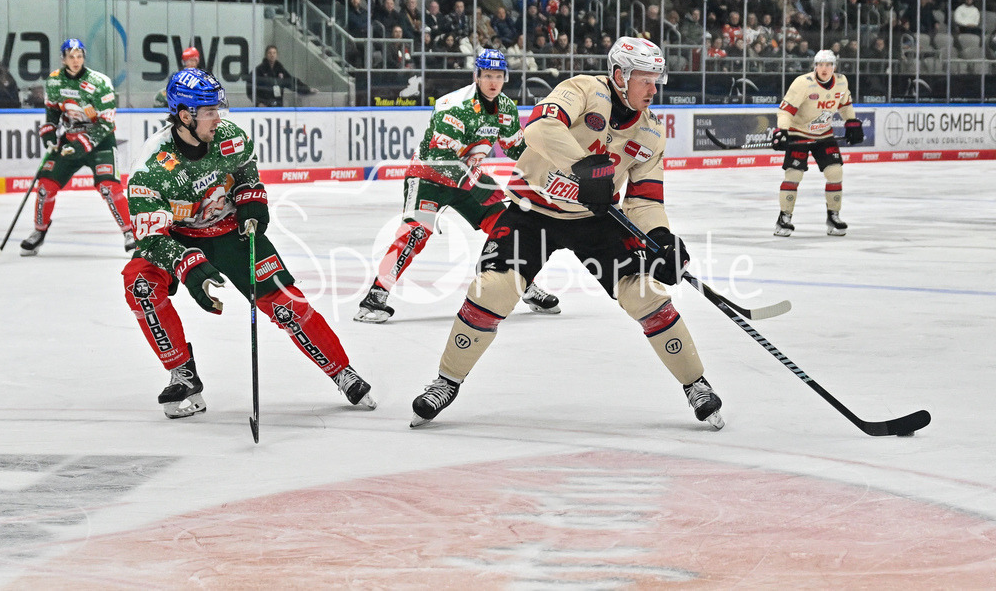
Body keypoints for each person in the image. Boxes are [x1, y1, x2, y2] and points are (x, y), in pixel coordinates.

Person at [407, 37, 725, 431]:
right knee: (494, 288)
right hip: (531, 211)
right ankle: (446, 380)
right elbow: (539, 128)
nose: (653, 89)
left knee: (644, 293)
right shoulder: (583, 90)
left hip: (594, 220)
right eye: (645, 79)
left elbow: (644, 199)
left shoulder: (650, 133)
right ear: (619, 75)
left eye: (656, 80)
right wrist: (583, 167)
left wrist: (661, 237)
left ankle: (696, 383)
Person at [122, 68, 376, 419]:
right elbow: (150, 238)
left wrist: (251, 200)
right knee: (139, 284)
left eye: (217, 109)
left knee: (286, 304)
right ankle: (182, 372)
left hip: (231, 232)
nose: (218, 118)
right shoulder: (152, 168)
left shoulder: (228, 136)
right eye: (209, 111)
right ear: (185, 115)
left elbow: (244, 169)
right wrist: (188, 266)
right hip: (179, 237)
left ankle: (341, 371)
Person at [354, 49, 561, 324]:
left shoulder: (506, 108)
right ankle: (375, 297)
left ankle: (524, 284)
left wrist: (549, 157)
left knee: (508, 224)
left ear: (505, 78)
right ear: (476, 76)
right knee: (415, 233)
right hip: (428, 177)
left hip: (468, 176)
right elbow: (441, 158)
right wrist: (475, 185)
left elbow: (515, 148)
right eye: (487, 75)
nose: (493, 82)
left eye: (498, 76)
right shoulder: (453, 105)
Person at [20, 39, 136, 256]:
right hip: (70, 139)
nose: (76, 60)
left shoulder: (99, 82)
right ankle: (39, 231)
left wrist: (82, 144)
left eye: (79, 56)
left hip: (100, 141)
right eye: (71, 57)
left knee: (109, 187)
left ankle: (130, 232)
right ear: (63, 59)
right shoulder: (54, 81)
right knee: (45, 185)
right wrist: (49, 132)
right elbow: (53, 111)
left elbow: (106, 122)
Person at [772, 49, 864, 237]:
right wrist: (782, 130)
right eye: (820, 65)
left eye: (828, 65)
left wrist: (851, 122)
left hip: (824, 135)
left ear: (834, 67)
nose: (824, 69)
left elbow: (845, 105)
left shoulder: (841, 82)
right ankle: (784, 218)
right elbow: (785, 110)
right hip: (798, 134)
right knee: (794, 174)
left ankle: (833, 216)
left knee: (835, 172)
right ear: (815, 66)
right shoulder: (803, 83)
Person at [248, 45, 313, 107]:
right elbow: (250, 89)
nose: (272, 55)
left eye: (274, 53)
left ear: (277, 55)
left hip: (278, 105)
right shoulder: (259, 70)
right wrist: (258, 103)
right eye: (269, 53)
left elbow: (291, 81)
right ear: (266, 55)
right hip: (264, 106)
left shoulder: (280, 69)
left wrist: (307, 89)